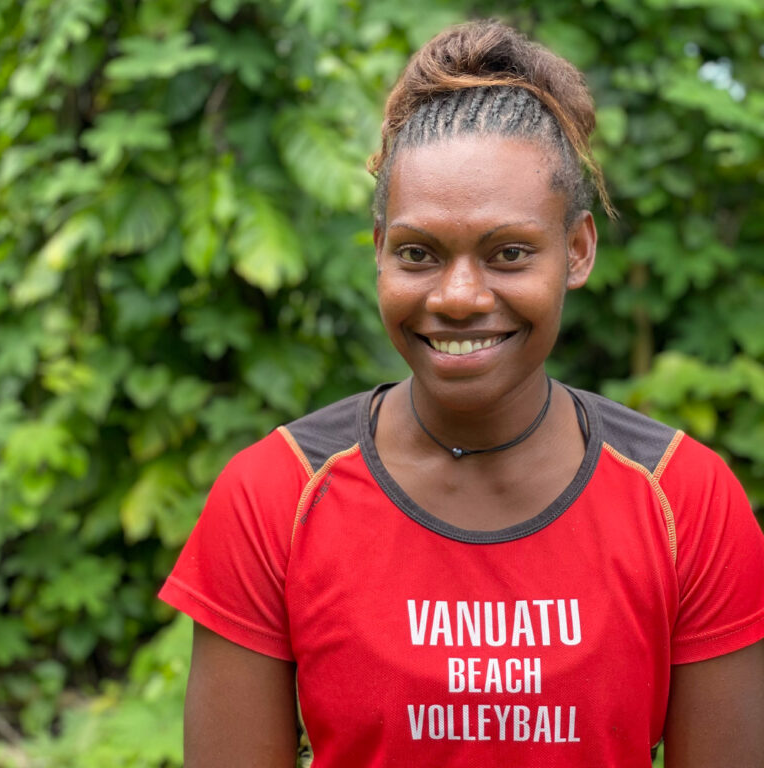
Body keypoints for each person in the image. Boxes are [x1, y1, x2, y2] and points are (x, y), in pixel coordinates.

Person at [159, 19, 764, 768]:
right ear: (378, 252)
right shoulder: (274, 497)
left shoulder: (685, 501)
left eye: (509, 253)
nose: (458, 296)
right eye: (419, 253)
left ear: (577, 250)